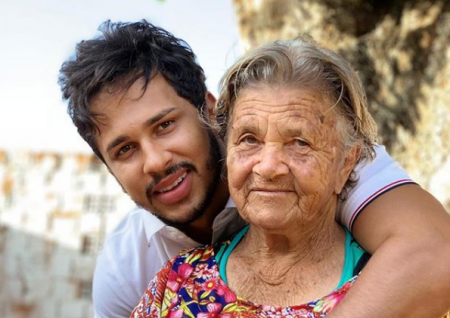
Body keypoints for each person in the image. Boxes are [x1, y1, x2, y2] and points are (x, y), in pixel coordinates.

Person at [58, 20, 450, 318]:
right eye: (125, 150)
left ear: (210, 114)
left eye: (165, 126)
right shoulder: (132, 272)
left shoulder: (334, 157)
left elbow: (435, 248)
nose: (156, 160)